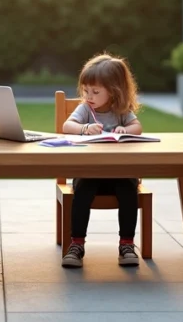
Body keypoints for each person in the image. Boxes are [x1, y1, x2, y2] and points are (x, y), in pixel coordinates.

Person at [60, 53, 144, 268]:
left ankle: (126, 244)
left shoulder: (121, 111)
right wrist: (84, 128)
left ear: (114, 91)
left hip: (120, 172)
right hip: (90, 171)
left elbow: (138, 128)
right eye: (86, 90)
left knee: (128, 191)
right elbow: (67, 127)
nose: (89, 95)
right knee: (82, 192)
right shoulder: (86, 109)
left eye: (95, 92)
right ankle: (76, 244)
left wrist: (126, 129)